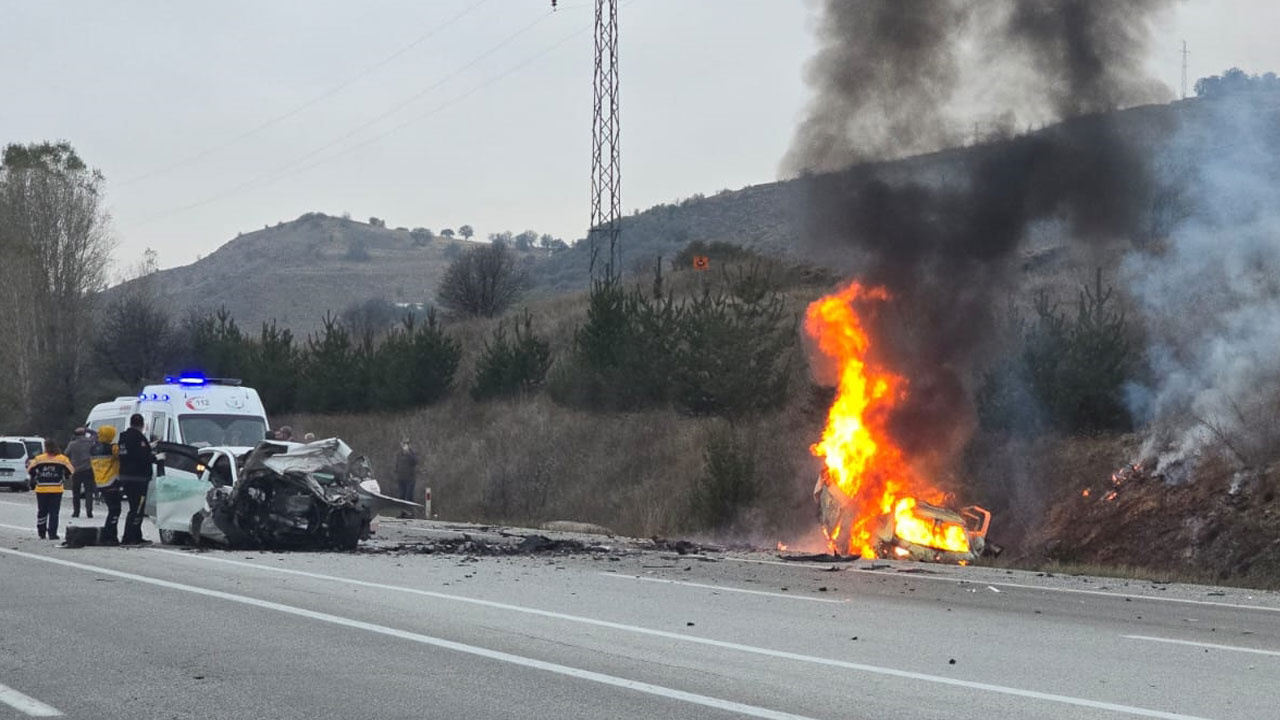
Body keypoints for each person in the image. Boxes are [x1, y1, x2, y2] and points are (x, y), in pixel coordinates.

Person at [116, 414, 155, 546]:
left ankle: (136, 535)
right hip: (138, 479)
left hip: (126, 477)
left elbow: (131, 454)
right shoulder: (138, 438)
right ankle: (130, 537)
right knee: (137, 509)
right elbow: (142, 457)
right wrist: (156, 457)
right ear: (142, 424)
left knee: (135, 507)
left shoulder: (123, 438)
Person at [28, 439, 74, 540]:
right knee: (54, 512)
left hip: (41, 488)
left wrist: (36, 476)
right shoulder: (62, 459)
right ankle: (52, 534)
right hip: (56, 489)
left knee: (42, 511)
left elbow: (30, 469)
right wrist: (64, 476)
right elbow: (71, 470)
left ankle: (41, 531)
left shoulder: (39, 459)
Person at [91, 425, 121, 545]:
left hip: (100, 482)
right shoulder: (112, 448)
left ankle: (109, 535)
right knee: (115, 510)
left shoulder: (93, 448)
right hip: (111, 482)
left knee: (112, 510)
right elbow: (121, 454)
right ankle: (109, 536)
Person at [66, 427, 95, 518]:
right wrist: (87, 429)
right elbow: (96, 435)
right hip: (88, 469)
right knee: (89, 491)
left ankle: (76, 511)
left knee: (76, 492)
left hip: (76, 470)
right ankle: (89, 511)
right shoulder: (90, 442)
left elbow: (66, 453)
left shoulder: (72, 444)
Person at [393, 438, 418, 506]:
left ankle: (410, 513)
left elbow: (415, 461)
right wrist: (396, 474)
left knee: (409, 496)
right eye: (403, 444)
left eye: (406, 444)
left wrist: (408, 453)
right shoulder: (399, 454)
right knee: (401, 497)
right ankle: (403, 513)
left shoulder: (412, 453)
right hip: (401, 479)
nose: (404, 445)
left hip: (410, 479)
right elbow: (397, 465)